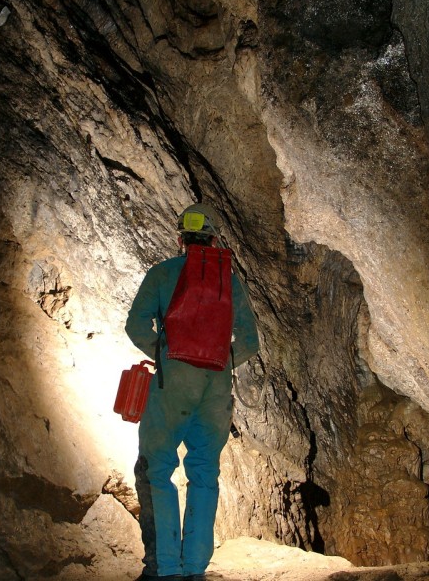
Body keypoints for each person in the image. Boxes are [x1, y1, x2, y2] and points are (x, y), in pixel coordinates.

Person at [125, 203, 260, 581]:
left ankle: (168, 567)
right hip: (216, 387)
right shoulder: (229, 281)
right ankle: (195, 568)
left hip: (173, 382)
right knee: (204, 472)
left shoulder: (163, 273)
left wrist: (165, 353)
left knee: (159, 469)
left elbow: (135, 326)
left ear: (180, 238)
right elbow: (250, 342)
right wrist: (218, 362)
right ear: (214, 239)